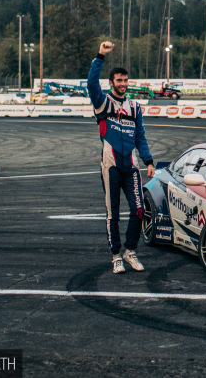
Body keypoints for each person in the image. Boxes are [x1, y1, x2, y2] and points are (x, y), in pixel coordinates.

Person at [88, 41, 155, 275]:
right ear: (111, 83)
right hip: (111, 166)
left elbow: (141, 136)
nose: (123, 84)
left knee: (139, 210)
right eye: (119, 80)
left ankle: (130, 251)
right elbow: (90, 84)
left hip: (132, 166)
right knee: (112, 213)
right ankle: (116, 255)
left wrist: (148, 160)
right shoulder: (102, 102)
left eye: (126, 80)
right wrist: (100, 56)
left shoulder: (135, 107)